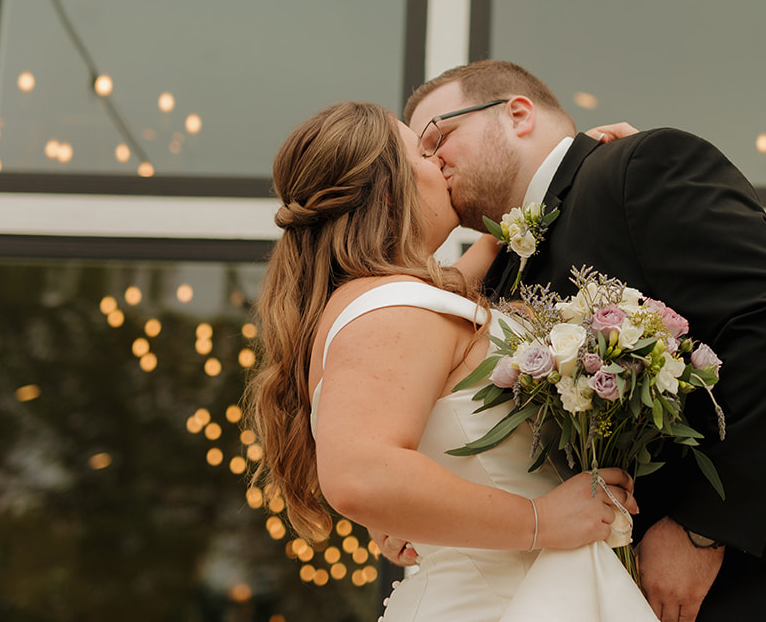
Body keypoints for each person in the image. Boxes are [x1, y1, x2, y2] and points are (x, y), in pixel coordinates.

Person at [404, 61, 766, 622]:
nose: (434, 163)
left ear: (517, 114)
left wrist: (702, 528)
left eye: (438, 138)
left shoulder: (638, 167)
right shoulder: (505, 273)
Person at [247, 100, 659, 621]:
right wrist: (540, 520)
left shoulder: (394, 303)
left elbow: (460, 284)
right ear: (391, 189)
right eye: (421, 150)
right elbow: (360, 476)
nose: (438, 161)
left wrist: (567, 168)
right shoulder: (390, 309)